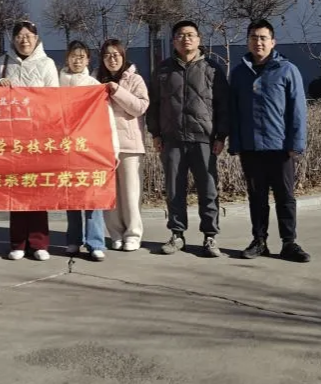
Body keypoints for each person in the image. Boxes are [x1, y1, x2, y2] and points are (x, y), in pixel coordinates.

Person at [146, 20, 230, 258]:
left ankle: (210, 236)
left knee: (208, 189)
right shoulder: (163, 70)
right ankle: (177, 234)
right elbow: (154, 104)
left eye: (190, 35)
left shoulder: (212, 69)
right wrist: (156, 133)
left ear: (199, 39)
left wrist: (221, 135)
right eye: (180, 35)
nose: (186, 39)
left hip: (204, 139)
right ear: (174, 41)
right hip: (172, 139)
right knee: (174, 189)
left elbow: (224, 105)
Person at [229, 19, 311, 263]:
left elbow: (298, 110)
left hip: (280, 147)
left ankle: (289, 243)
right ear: (248, 41)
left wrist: (296, 143)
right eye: (254, 37)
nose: (258, 42)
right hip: (251, 147)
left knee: (285, 196)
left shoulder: (287, 70)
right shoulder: (239, 73)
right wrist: (236, 143)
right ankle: (259, 241)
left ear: (273, 42)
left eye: (263, 38)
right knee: (257, 197)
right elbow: (234, 111)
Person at [0, 20, 59, 260]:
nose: (24, 40)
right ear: (13, 39)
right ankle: (17, 243)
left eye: (29, 36)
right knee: (16, 189)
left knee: (38, 188)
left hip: (38, 137)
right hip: (12, 137)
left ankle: (39, 243)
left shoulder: (47, 64)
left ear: (36, 39)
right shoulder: (3, 62)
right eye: (19, 36)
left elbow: (54, 99)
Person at [60, 40, 111, 261]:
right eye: (73, 56)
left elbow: (106, 119)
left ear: (88, 60)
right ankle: (73, 240)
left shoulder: (94, 85)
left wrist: (112, 149)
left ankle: (95, 242)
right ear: (67, 58)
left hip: (90, 148)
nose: (77, 60)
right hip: (64, 148)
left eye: (82, 57)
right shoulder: (56, 83)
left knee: (92, 196)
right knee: (70, 196)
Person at [97, 39, 150, 251]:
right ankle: (115, 234)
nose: (112, 59)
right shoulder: (95, 80)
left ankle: (133, 234)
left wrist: (117, 91)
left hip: (129, 145)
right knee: (110, 194)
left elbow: (140, 107)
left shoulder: (134, 79)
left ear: (123, 56)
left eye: (116, 55)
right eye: (107, 55)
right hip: (104, 145)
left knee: (130, 193)